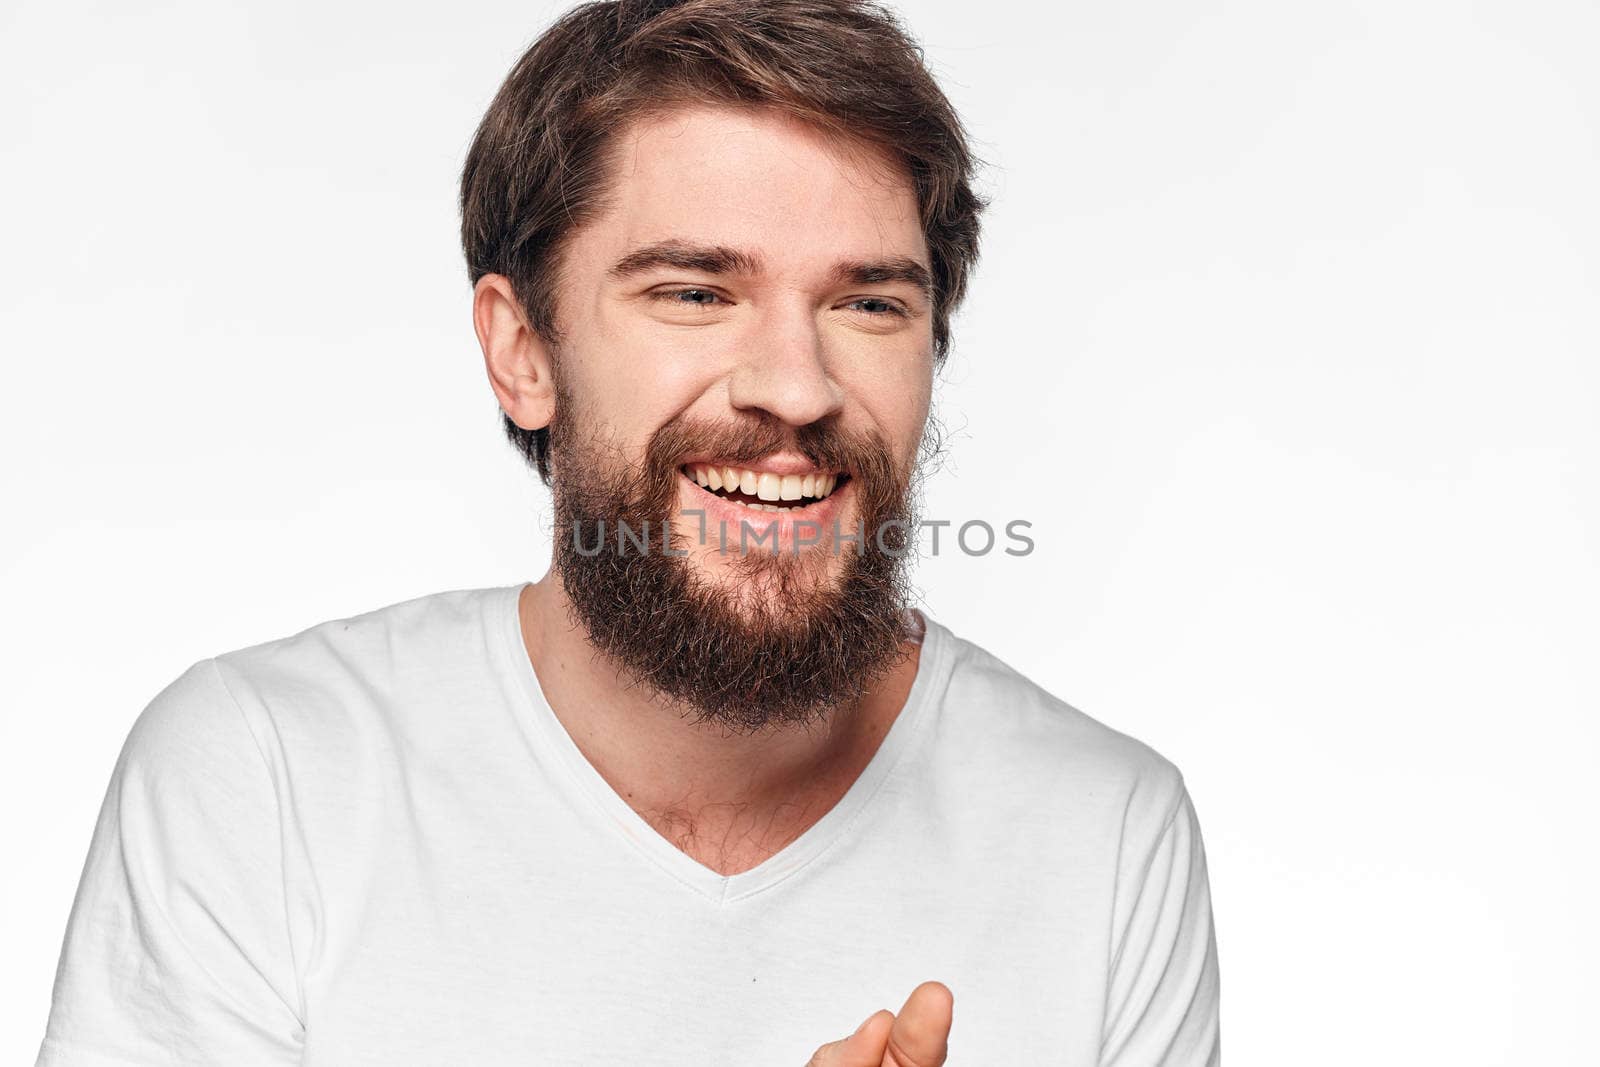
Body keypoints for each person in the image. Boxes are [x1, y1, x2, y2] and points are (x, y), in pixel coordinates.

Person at [33, 1, 1221, 1063]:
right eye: (694, 292)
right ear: (523, 351)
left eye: (868, 303)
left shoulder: (1102, 835)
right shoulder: (268, 778)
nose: (796, 388)